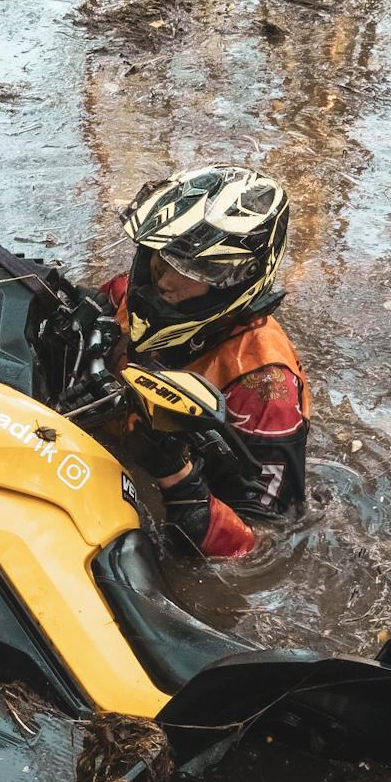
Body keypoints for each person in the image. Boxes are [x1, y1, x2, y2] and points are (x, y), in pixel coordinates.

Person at [100, 166, 311, 559]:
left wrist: (176, 475)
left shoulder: (264, 386)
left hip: (172, 501)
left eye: (190, 270)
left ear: (232, 281)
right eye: (161, 255)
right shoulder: (134, 291)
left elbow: (265, 544)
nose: (165, 279)